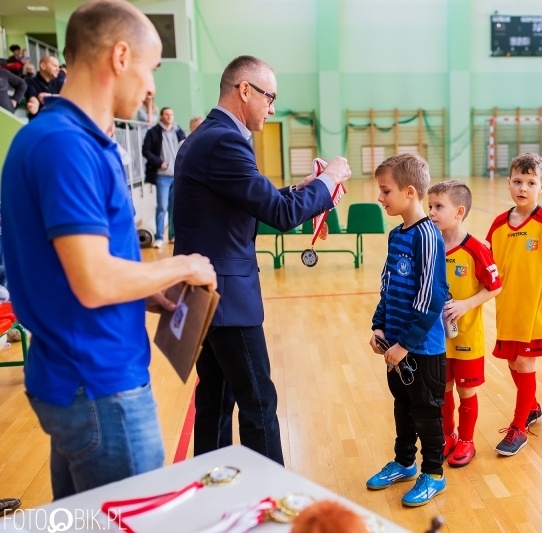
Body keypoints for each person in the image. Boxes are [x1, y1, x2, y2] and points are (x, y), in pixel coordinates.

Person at [0, 0, 217, 500]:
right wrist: (180, 265)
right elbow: (94, 281)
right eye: (151, 67)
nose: (152, 85)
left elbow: (69, 272)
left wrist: (146, 294)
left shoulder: (54, 139)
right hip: (99, 383)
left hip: (75, 376)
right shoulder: (65, 147)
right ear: (121, 56)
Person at [173, 55, 351, 464]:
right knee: (258, 402)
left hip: (206, 291)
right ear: (245, 90)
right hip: (227, 298)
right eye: (270, 97)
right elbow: (281, 215)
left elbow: (256, 201)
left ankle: (210, 489)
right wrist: (328, 180)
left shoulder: (209, 136)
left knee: (216, 399)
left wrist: (300, 188)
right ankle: (272, 503)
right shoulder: (224, 140)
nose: (272, 108)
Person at [366, 154, 448, 506]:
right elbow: (388, 286)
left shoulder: (428, 237)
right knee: (403, 405)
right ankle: (404, 463)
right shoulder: (395, 235)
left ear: (410, 191)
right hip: (396, 346)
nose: (380, 198)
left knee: (427, 413)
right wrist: (379, 326)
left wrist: (406, 344)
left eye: (385, 191)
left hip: (422, 349)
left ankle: (433, 473)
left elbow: (432, 296)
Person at [486, 152, 542, 456]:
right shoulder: (497, 225)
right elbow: (489, 267)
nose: (523, 188)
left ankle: (519, 428)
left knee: (524, 363)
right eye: (518, 181)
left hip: (533, 308)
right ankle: (531, 406)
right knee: (511, 362)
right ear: (509, 183)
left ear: (541, 187)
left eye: (530, 182)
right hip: (507, 308)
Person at [427, 180, 502, 467]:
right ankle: (449, 435)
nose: (431, 212)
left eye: (438, 207)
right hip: (436, 336)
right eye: (429, 206)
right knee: (442, 389)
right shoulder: (431, 245)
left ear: (459, 212)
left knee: (465, 390)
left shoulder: (476, 249)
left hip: (467, 335)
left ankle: (467, 440)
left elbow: (495, 286)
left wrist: (465, 304)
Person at [142, 107, 186, 248]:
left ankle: (172, 236)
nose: (169, 117)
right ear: (161, 116)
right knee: (162, 207)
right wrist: (159, 162)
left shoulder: (179, 131)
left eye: (171, 114)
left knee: (174, 208)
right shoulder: (153, 132)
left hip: (177, 175)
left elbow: (186, 147)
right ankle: (159, 237)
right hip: (162, 176)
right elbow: (146, 151)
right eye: (166, 114)